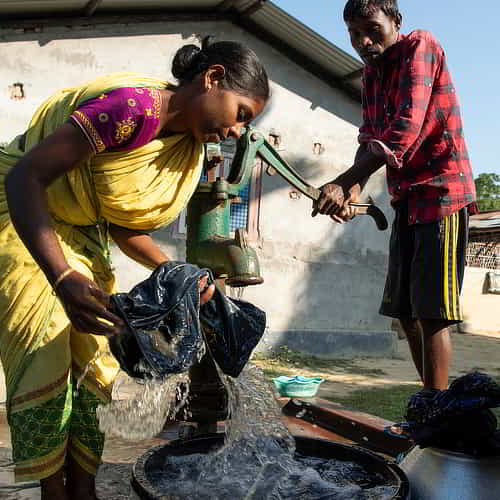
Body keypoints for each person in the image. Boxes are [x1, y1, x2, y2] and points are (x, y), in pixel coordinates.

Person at [0, 37, 269, 499]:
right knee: (47, 349)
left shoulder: (183, 145)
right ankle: (53, 491)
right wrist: (62, 277)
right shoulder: (131, 109)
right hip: (23, 215)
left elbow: (124, 227)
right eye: (242, 113)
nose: (240, 131)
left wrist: (180, 274)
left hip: (82, 233)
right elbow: (25, 176)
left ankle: (84, 489)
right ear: (214, 78)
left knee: (97, 362)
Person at [313, 0, 476, 392]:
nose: (364, 41)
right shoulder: (372, 74)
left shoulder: (421, 46)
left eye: (372, 29)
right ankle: (430, 401)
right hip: (406, 197)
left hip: (442, 194)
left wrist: (343, 180)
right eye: (354, 34)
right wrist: (351, 191)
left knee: (432, 313)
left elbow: (405, 127)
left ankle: (437, 411)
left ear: (396, 21)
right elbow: (370, 138)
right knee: (404, 312)